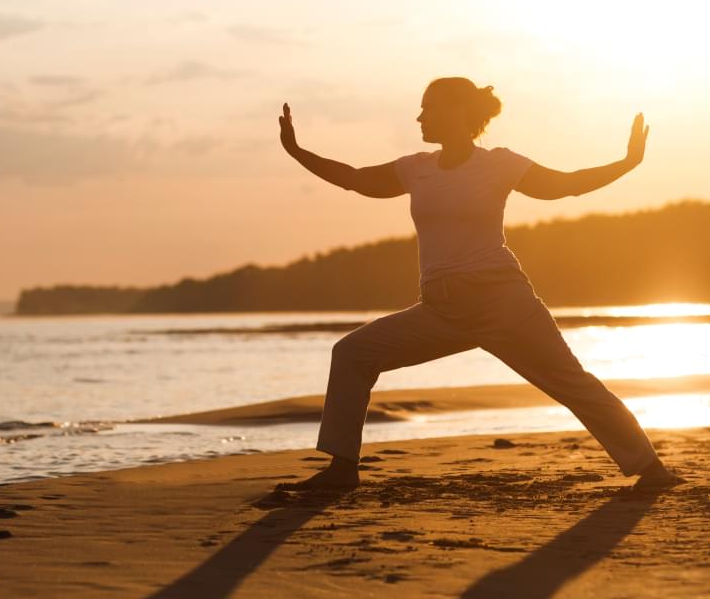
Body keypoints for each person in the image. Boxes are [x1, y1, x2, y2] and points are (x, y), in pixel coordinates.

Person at [277, 76, 684, 492]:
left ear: (458, 113)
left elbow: (565, 186)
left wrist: (626, 163)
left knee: (572, 383)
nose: (420, 116)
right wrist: (296, 151)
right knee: (352, 354)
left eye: (429, 107)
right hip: (440, 310)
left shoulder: (498, 164)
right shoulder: (416, 169)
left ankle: (651, 470)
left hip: (502, 302)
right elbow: (355, 178)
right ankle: (342, 470)